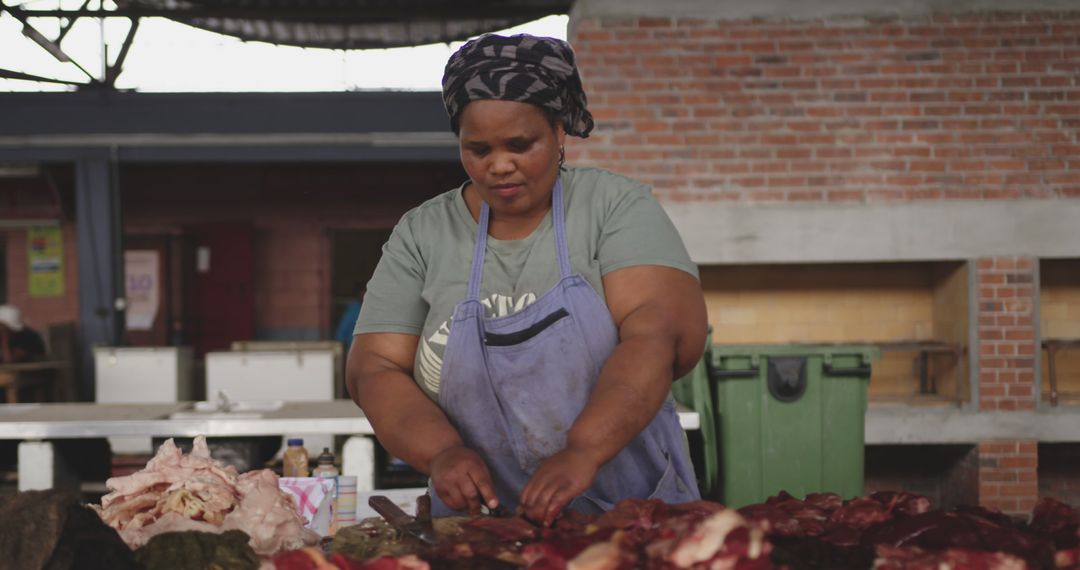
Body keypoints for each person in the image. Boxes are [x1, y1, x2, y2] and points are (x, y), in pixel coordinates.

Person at [346, 34, 707, 524]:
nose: (498, 165)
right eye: (477, 149)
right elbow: (375, 368)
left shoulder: (613, 207)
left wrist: (584, 449)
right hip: (480, 528)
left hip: (632, 517)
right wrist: (441, 452)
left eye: (520, 144)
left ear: (559, 132)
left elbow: (660, 334)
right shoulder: (423, 233)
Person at [334, 283, 365, 353]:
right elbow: (341, 333)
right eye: (363, 292)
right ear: (358, 294)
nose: (365, 295)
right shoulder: (352, 311)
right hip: (353, 349)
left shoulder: (372, 309)